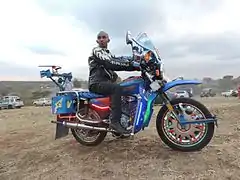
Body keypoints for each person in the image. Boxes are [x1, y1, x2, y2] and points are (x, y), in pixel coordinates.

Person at [88, 31, 140, 134]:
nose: (102, 39)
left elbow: (118, 59)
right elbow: (110, 63)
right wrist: (132, 66)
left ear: (108, 40)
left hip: (105, 82)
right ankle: (114, 122)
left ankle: (124, 120)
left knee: (125, 87)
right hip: (96, 83)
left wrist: (137, 61)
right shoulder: (97, 51)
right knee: (116, 88)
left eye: (104, 37)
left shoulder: (108, 54)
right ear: (97, 40)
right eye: (100, 37)